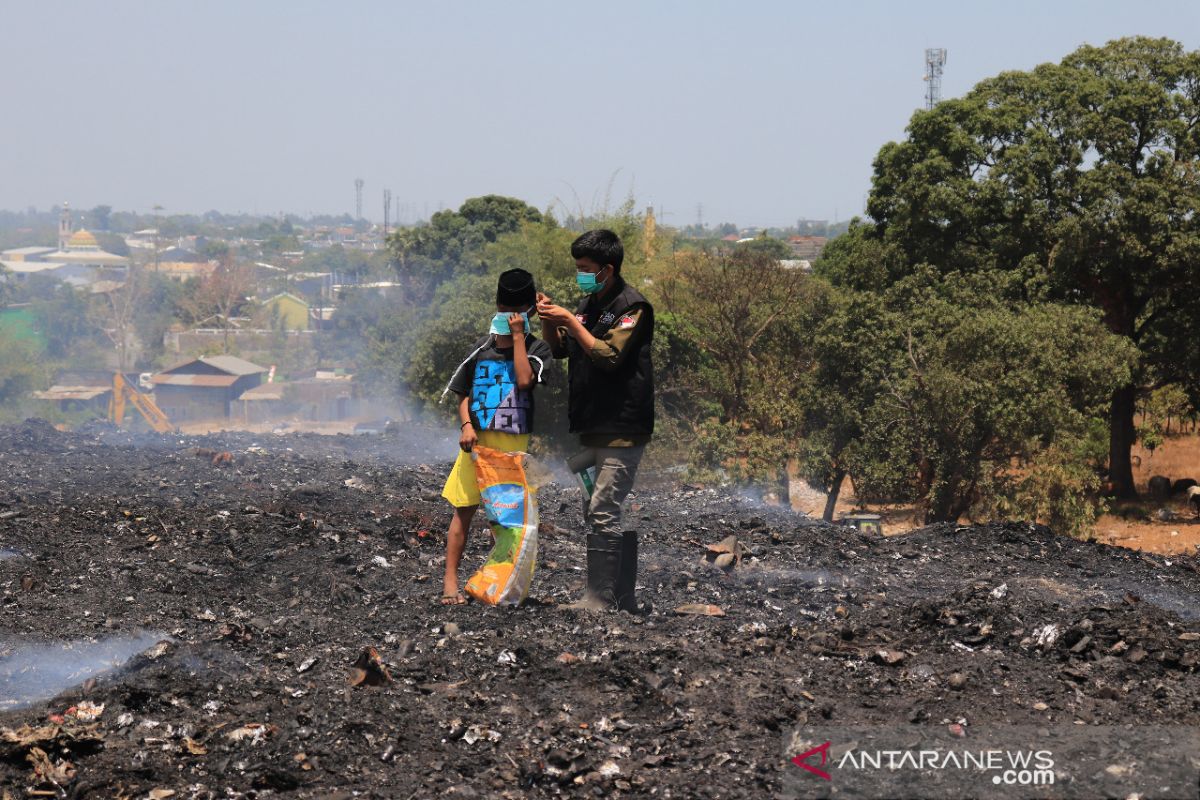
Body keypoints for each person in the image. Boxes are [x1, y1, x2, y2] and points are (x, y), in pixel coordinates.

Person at [536, 229, 654, 612]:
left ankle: (599, 598)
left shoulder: (633, 307)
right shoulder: (589, 304)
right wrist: (552, 319)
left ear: (607, 268)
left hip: (622, 427)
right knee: (596, 509)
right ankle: (623, 597)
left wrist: (571, 319)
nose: (580, 275)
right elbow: (560, 350)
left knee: (604, 508)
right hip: (593, 426)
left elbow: (608, 356)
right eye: (577, 268)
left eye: (585, 268)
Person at [439, 268, 553, 605]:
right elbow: (462, 392)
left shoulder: (537, 350)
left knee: (506, 520)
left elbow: (523, 380)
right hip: (476, 446)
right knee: (465, 510)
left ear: (528, 312)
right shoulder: (481, 349)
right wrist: (466, 426)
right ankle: (450, 584)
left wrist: (519, 337)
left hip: (512, 449)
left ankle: (497, 583)